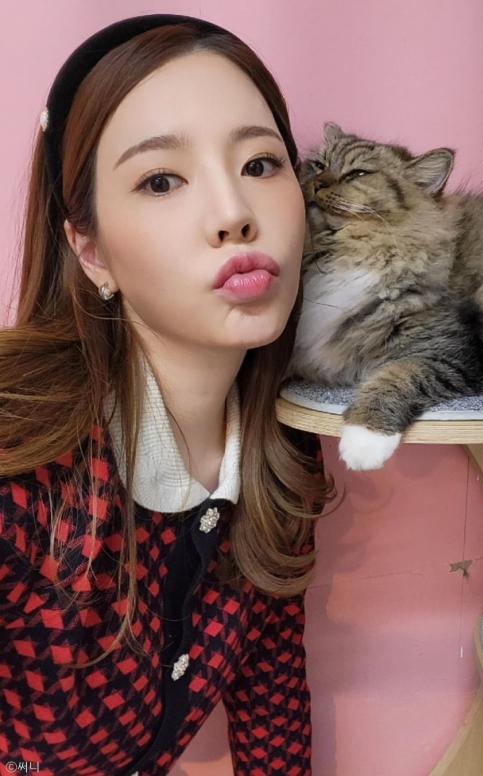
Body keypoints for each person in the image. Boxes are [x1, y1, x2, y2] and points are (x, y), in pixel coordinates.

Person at [0, 13, 336, 776]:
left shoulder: (282, 453)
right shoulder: (20, 473)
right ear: (90, 249)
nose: (234, 214)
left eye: (261, 164)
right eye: (161, 180)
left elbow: (272, 703)